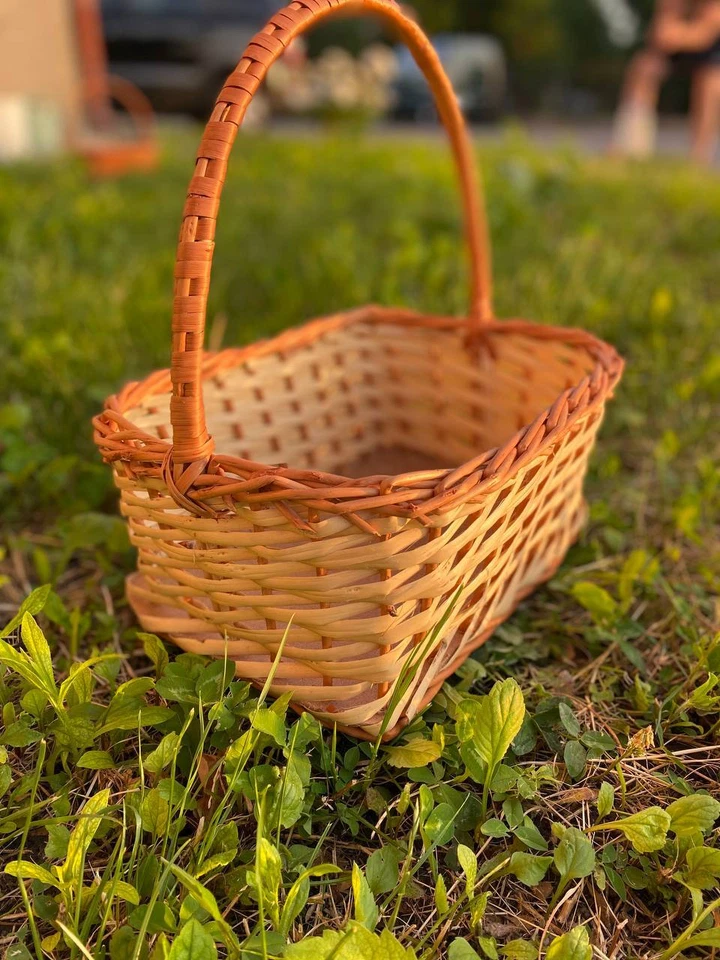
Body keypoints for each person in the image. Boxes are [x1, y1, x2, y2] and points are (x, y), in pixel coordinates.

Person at [612, 0, 720, 164]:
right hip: (678, 50)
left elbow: (703, 35)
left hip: (711, 55)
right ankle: (632, 145)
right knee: (643, 67)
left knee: (711, 82)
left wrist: (677, 34)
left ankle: (699, 156)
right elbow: (659, 35)